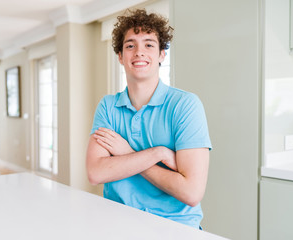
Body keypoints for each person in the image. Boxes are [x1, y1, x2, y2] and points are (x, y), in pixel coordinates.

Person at [86, 8, 212, 229]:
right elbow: (96, 173)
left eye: (149, 44)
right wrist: (158, 154)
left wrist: (127, 154)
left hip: (175, 227)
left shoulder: (185, 105)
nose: (139, 52)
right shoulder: (108, 106)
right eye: (130, 45)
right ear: (120, 56)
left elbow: (192, 192)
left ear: (162, 54)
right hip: (117, 223)